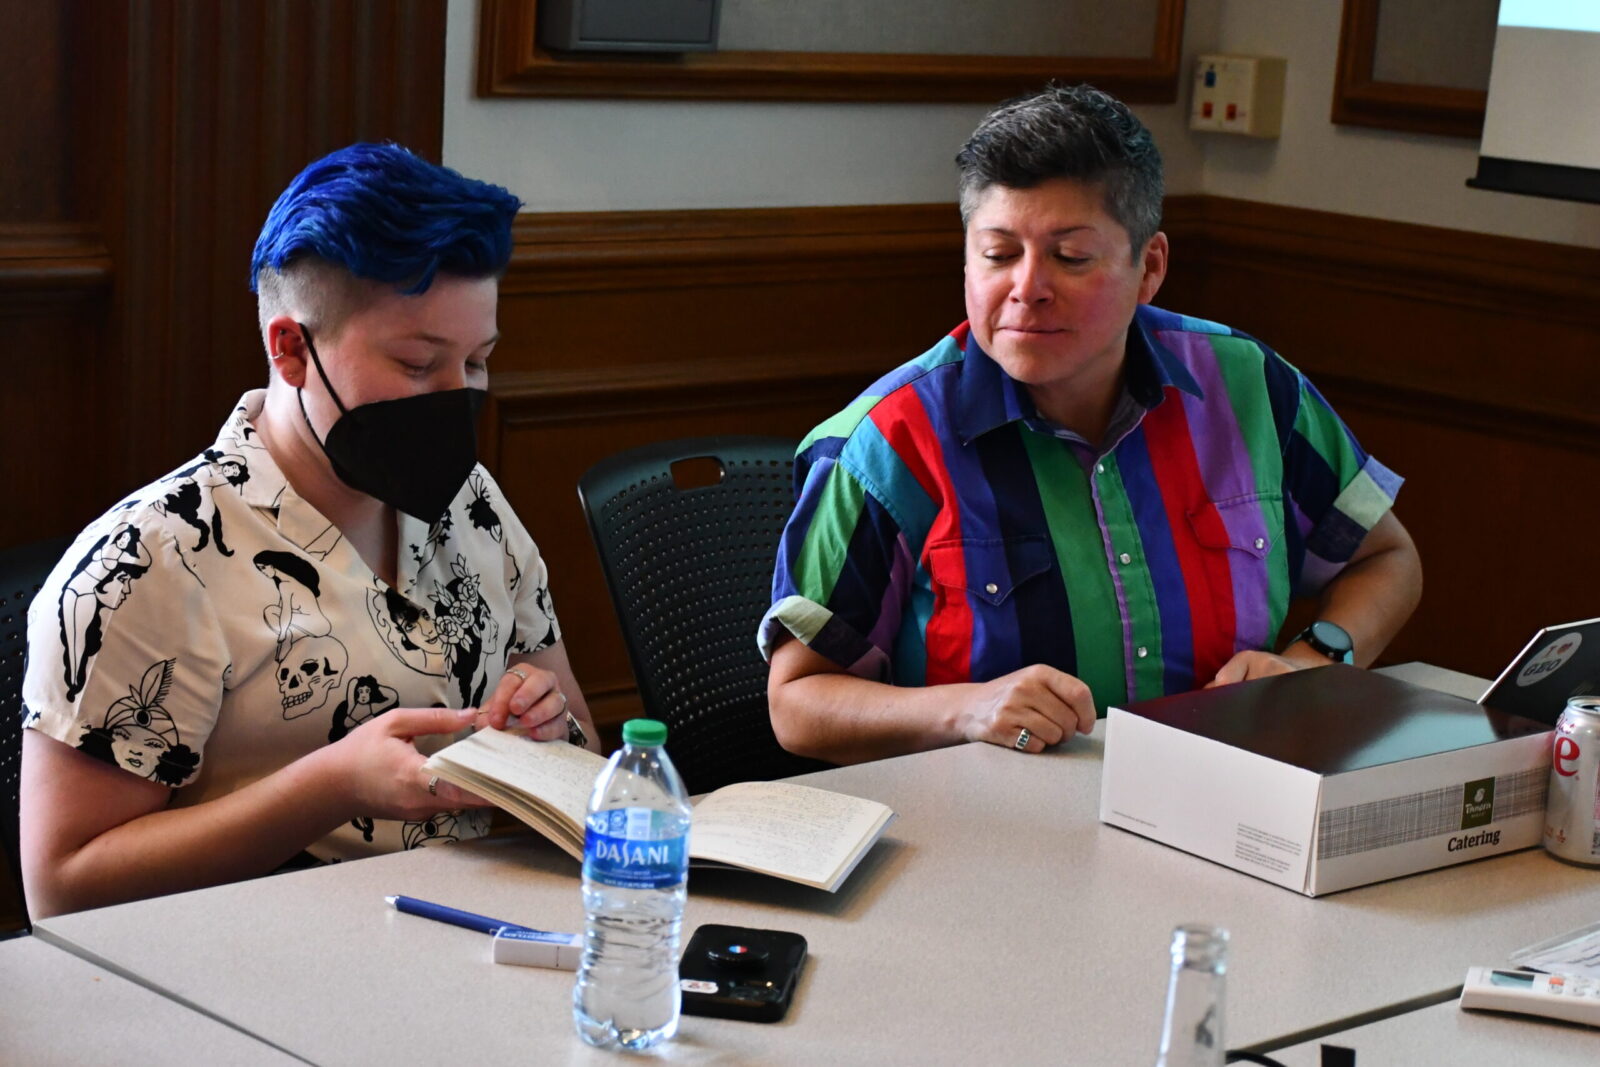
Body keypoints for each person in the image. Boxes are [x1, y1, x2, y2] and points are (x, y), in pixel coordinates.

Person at [760, 85, 1423, 766]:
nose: (1027, 287)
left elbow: (1386, 559)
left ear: (1150, 268)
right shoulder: (888, 442)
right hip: (991, 833)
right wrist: (968, 707)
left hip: (1220, 800)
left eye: (1070, 257)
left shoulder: (1248, 385)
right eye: (997, 253)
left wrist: (1313, 660)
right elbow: (798, 702)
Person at [20, 143, 598, 919]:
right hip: (257, 983)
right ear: (291, 349)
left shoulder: (472, 504)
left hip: (487, 932)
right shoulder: (150, 564)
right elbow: (63, 885)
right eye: (420, 364)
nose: (455, 399)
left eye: (480, 362)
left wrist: (546, 728)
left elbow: (583, 750)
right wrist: (331, 786)